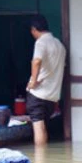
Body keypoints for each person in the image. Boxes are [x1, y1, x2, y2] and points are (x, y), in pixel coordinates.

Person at [26, 14, 66, 145]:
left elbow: (36, 61)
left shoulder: (41, 42)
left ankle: (39, 160)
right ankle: (44, 157)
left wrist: (33, 81)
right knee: (43, 127)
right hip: (52, 96)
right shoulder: (59, 45)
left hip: (38, 94)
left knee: (38, 127)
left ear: (34, 29)